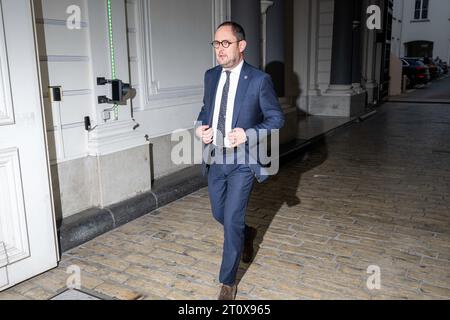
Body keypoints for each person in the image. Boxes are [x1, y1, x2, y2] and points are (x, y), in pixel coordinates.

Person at [195, 21, 285, 300]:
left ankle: (228, 281)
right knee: (219, 214)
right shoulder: (211, 76)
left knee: (232, 217)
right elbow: (205, 109)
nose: (219, 50)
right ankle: (247, 233)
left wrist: (247, 134)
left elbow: (276, 119)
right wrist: (200, 126)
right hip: (216, 158)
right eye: (216, 44)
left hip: (242, 161)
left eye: (225, 43)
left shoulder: (259, 80)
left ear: (241, 46)